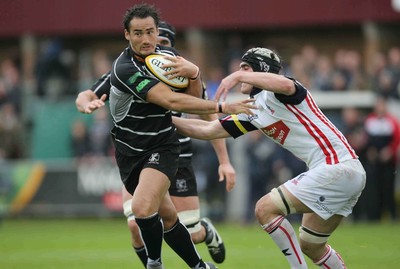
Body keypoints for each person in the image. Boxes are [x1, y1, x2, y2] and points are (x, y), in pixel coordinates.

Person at [79, 4, 254, 269]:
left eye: (150, 32)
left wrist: (194, 73)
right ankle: (200, 266)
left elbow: (194, 99)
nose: (146, 39)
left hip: (164, 147)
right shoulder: (123, 69)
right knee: (169, 218)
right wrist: (84, 102)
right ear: (127, 35)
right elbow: (171, 99)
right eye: (138, 33)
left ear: (158, 31)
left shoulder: (169, 59)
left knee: (140, 209)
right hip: (128, 153)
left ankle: (154, 263)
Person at [173, 47, 366, 268]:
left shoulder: (279, 91)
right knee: (311, 244)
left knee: (264, 209)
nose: (239, 72)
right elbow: (207, 130)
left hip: (336, 167)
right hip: (343, 172)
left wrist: (238, 76)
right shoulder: (255, 110)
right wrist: (166, 120)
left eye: (245, 67)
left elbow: (283, 83)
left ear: (261, 69)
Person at [363, 96, 400, 221]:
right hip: (374, 161)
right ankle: (375, 216)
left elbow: (396, 139)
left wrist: (390, 151)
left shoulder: (392, 121)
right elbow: (366, 138)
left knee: (388, 188)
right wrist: (370, 151)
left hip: (388, 161)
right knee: (375, 188)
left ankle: (392, 214)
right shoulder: (370, 120)